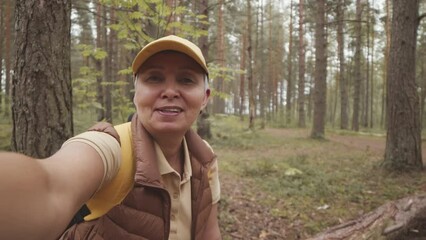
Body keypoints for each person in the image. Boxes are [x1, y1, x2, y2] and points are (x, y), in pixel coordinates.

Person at [0, 35, 221, 240]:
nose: (170, 91)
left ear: (205, 98)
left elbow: (209, 229)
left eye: (186, 80)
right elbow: (51, 186)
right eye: (154, 78)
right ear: (136, 95)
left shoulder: (204, 157)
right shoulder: (112, 147)